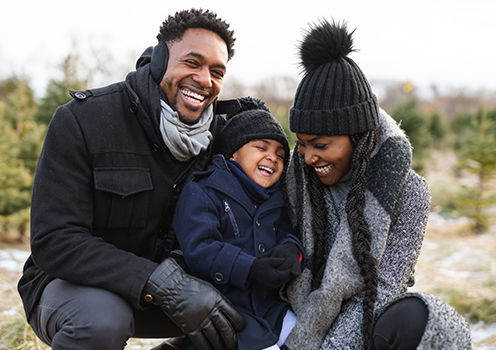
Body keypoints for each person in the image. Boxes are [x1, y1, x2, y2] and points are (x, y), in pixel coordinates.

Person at [17, 9, 247, 350]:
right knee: (102, 321)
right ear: (160, 60)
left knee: (248, 313)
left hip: (173, 295)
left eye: (217, 72)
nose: (204, 79)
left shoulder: (221, 137)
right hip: (74, 288)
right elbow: (55, 240)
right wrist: (163, 283)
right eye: (192, 63)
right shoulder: (84, 120)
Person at [280, 20, 472, 349]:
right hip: (290, 318)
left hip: (365, 321)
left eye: (321, 145)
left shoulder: (410, 193)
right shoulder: (296, 178)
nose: (308, 157)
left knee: (421, 317)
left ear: (358, 137)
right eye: (302, 144)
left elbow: (383, 287)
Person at [172, 99, 304, 350]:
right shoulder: (204, 190)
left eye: (280, 154)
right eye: (261, 148)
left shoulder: (277, 198)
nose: (272, 158)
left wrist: (292, 251)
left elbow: (290, 233)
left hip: (270, 310)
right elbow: (200, 248)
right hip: (223, 310)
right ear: (234, 152)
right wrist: (249, 267)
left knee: (312, 338)